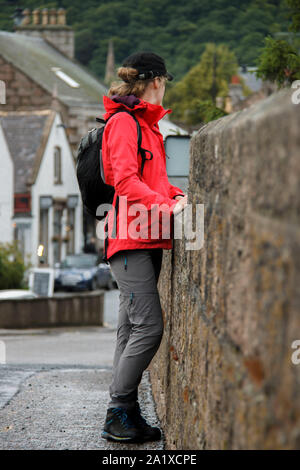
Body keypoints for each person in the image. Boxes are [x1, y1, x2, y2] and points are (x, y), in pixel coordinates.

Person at [100, 51, 188, 443]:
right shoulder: (123, 123)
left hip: (147, 238)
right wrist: (168, 206)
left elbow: (154, 182)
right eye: (165, 82)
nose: (164, 88)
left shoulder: (148, 127)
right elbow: (125, 182)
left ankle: (128, 414)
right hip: (129, 239)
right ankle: (115, 412)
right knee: (149, 328)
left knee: (127, 331)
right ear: (156, 81)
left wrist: (176, 194)